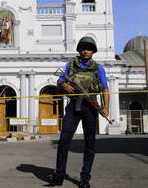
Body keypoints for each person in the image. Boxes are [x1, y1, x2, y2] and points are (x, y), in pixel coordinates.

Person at [50, 37, 110, 188]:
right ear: (79, 50)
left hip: (90, 106)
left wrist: (106, 107)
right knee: (64, 140)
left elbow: (105, 88)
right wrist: (63, 85)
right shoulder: (70, 65)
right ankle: (60, 173)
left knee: (90, 143)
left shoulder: (98, 68)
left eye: (89, 48)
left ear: (93, 51)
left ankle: (85, 177)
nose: (85, 51)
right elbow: (59, 81)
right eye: (83, 48)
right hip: (73, 106)